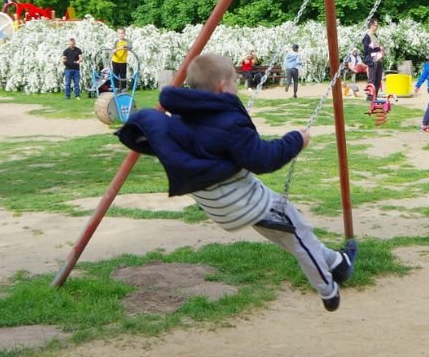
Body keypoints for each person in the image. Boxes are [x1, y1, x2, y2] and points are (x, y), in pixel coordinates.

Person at [117, 53, 358, 311]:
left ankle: (338, 263)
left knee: (286, 233)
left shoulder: (182, 118)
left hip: (222, 204)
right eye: (235, 81)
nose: (238, 86)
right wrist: (296, 140)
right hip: (242, 202)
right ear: (223, 87)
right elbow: (263, 160)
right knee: (300, 234)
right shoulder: (230, 123)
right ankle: (328, 289)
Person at [361, 17, 385, 100]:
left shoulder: (375, 36)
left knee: (378, 80)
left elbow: (376, 48)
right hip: (373, 61)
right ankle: (370, 97)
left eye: (377, 25)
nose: (377, 26)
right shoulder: (367, 37)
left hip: (379, 60)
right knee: (372, 79)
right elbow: (366, 51)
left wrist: (381, 50)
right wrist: (371, 61)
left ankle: (375, 96)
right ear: (371, 25)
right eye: (375, 25)